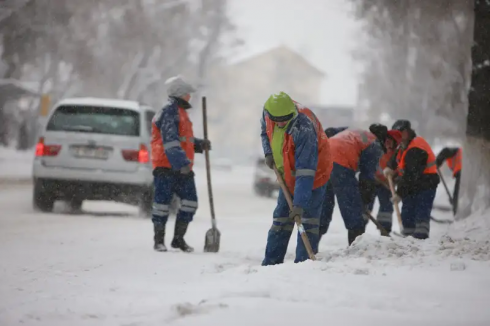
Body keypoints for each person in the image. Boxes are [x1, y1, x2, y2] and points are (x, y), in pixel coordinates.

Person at [260, 92, 332, 265]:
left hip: (314, 175)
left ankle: (304, 264)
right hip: (287, 173)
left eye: (284, 120)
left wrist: (299, 204)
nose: (280, 124)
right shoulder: (268, 112)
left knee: (307, 221)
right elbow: (265, 133)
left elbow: (305, 171)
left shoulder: (303, 128)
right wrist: (268, 152)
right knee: (280, 221)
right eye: (277, 120)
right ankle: (271, 263)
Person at [150, 76, 211, 252]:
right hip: (166, 167)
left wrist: (199, 144)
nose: (189, 97)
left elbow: (184, 140)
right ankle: (159, 241)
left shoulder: (181, 112)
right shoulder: (169, 112)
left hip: (181, 166)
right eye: (187, 94)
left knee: (190, 202)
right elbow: (170, 142)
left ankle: (178, 239)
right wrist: (182, 164)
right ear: (180, 94)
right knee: (162, 205)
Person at [319, 127, 383, 245]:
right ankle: (356, 243)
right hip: (340, 161)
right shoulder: (375, 144)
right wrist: (364, 201)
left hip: (323, 156)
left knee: (324, 203)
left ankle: (310, 246)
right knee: (351, 204)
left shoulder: (354, 131)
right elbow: (367, 178)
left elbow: (330, 131)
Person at [383, 120, 439, 239]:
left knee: (420, 214)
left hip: (425, 185)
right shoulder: (403, 146)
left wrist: (399, 194)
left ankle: (420, 239)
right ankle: (408, 237)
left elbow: (411, 176)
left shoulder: (416, 147)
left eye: (400, 133)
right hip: (412, 186)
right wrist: (390, 167)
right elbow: (396, 158)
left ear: (407, 132)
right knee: (407, 214)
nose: (396, 136)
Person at [367, 125, 403, 235]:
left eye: (391, 142)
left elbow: (398, 168)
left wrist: (394, 177)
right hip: (372, 181)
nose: (388, 144)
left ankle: (385, 230)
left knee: (386, 206)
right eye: (387, 140)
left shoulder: (396, 153)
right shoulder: (377, 146)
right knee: (366, 205)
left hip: (386, 184)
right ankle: (359, 228)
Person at [436, 147, 462, 215]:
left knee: (458, 193)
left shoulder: (456, 152)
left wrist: (438, 161)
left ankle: (456, 211)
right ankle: (456, 209)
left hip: (461, 171)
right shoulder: (459, 153)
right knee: (458, 193)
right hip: (462, 172)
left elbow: (446, 151)